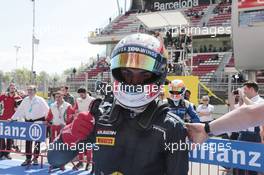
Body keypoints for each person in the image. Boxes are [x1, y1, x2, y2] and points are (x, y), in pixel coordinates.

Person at [48, 33, 189, 175]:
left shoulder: (172, 127)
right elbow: (54, 159)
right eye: (127, 73)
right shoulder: (100, 117)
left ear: (160, 75)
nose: (134, 82)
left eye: (144, 74)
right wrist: (68, 136)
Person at [11, 85, 49, 166]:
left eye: (31, 90)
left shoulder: (40, 100)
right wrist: (12, 118)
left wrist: (47, 120)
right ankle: (28, 159)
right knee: (28, 141)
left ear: (35, 91)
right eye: (28, 90)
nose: (29, 91)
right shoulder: (25, 100)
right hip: (28, 122)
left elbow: (47, 110)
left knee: (37, 142)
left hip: (38, 122)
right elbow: (19, 110)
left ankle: (35, 158)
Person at [73, 87, 95, 169]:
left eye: (82, 93)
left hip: (89, 125)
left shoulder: (92, 100)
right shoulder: (78, 100)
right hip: (80, 124)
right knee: (80, 144)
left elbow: (95, 111)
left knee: (89, 145)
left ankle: (89, 163)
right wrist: (75, 113)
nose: (81, 95)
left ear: (86, 92)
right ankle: (81, 162)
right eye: (80, 94)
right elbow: (75, 109)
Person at [0, 83, 22, 160]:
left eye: (13, 88)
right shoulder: (3, 96)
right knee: (1, 136)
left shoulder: (18, 97)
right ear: (9, 88)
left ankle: (7, 153)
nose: (12, 89)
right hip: (2, 119)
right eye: (11, 88)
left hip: (12, 120)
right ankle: (1, 152)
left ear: (15, 89)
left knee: (10, 137)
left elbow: (20, 109)